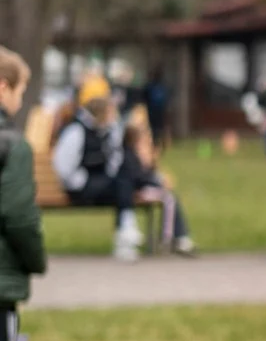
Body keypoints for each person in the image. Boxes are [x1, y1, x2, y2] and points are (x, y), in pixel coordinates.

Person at [52, 78, 191, 260]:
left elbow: (115, 159)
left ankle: (126, 232)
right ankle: (126, 229)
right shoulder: (76, 132)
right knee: (122, 182)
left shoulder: (107, 130)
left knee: (122, 180)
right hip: (81, 187)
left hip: (103, 184)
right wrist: (82, 180)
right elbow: (63, 166)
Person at [0, 47, 46, 341]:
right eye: (19, 91)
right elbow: (18, 215)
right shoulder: (11, 145)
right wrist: (35, 259)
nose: (19, 101)